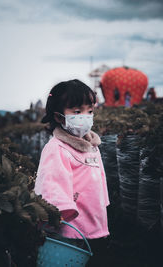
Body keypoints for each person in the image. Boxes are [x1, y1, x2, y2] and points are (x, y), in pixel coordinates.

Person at [34, 79, 110, 266]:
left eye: (89, 111)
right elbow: (52, 185)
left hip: (93, 218)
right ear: (59, 117)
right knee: (68, 258)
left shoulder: (91, 145)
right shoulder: (56, 149)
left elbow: (100, 179)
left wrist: (103, 203)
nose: (85, 116)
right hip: (69, 225)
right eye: (77, 112)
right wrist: (59, 217)